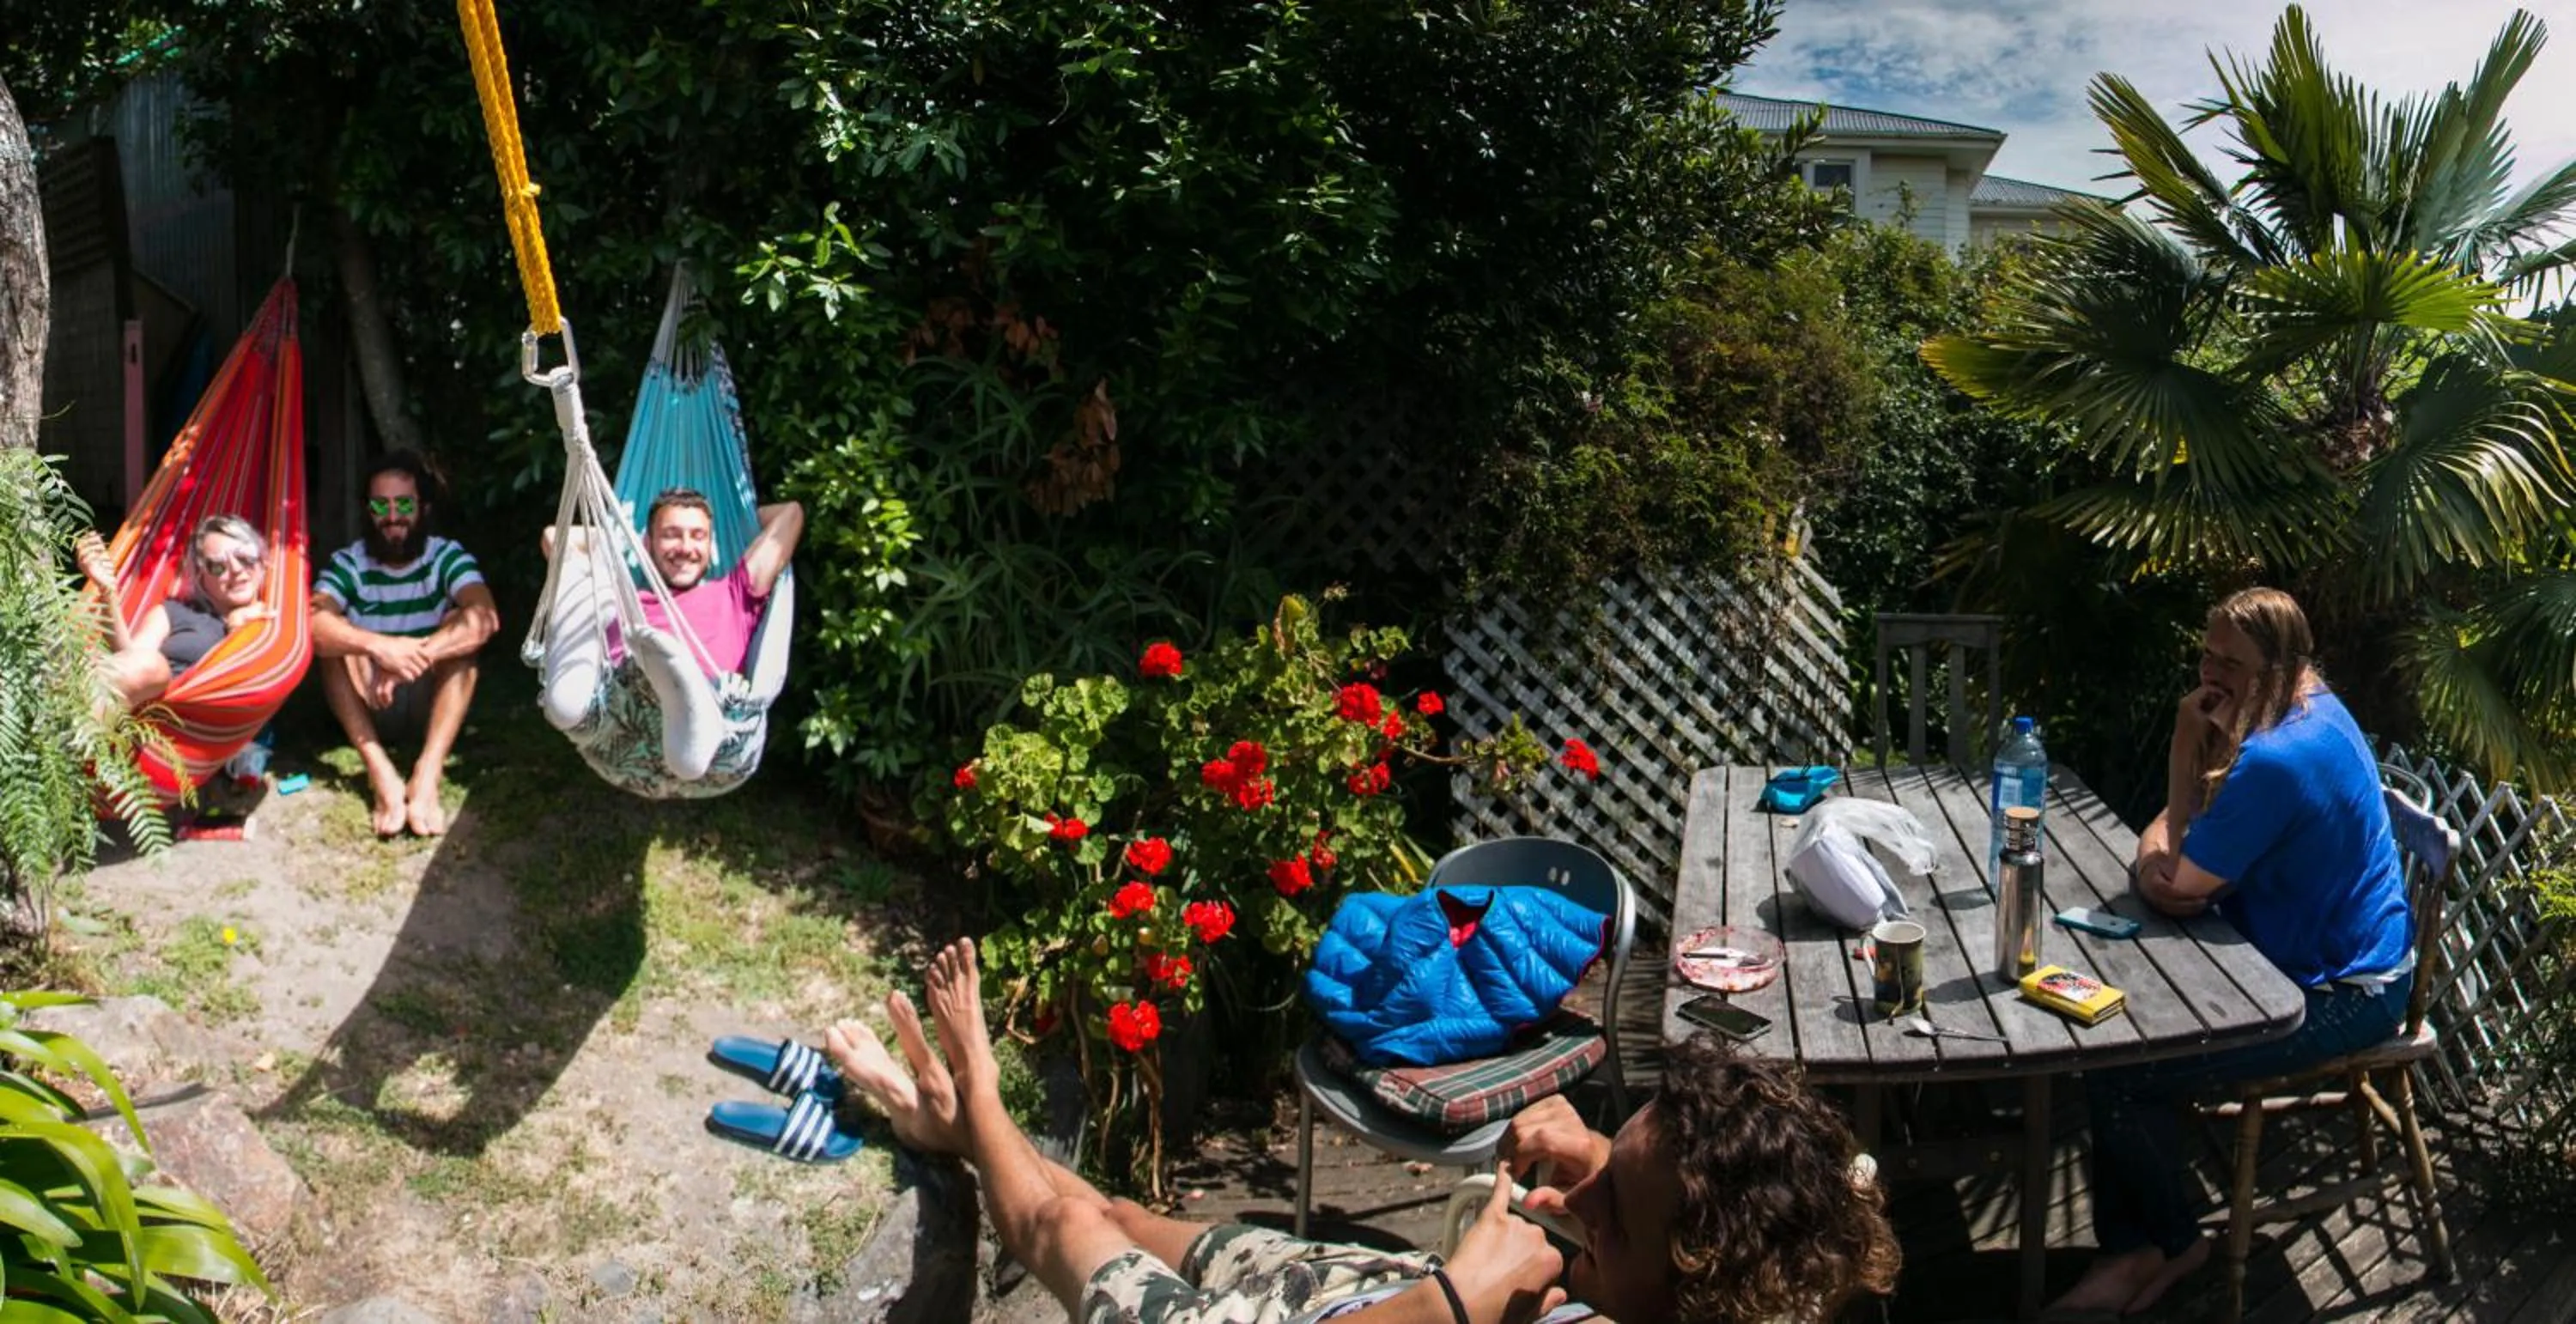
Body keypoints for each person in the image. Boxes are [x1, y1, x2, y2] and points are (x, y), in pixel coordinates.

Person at [825, 939, 1899, 1324]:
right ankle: (960, 1128)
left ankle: (975, 1100)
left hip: (1396, 1316)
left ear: (1695, 1283)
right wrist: (1600, 1176)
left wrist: (1451, 1300)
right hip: (1357, 1295)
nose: (1570, 1207)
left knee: (1062, 1236)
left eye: (1606, 1213)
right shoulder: (1679, 1297)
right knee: (1116, 1211)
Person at [2054, 587, 2415, 1315]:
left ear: (2283, 666)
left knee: (2122, 1068)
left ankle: (2171, 1242)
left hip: (2345, 993)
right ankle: (2136, 1247)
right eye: (2206, 654)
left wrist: (2184, 750)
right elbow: (2182, 844)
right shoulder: (2306, 708)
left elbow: (2177, 878)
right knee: (2118, 1041)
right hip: (2291, 952)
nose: (2209, 677)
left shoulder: (2281, 756)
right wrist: (2163, 856)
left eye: (2231, 663)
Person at [310, 452, 499, 838]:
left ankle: (427, 774)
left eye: (404, 505)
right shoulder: (348, 563)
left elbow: (485, 617)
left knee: (460, 627)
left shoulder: (446, 556)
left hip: (430, 697)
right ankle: (381, 773)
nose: (392, 516)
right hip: (369, 699)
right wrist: (379, 647)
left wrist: (406, 659)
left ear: (423, 508)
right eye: (381, 505)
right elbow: (311, 625)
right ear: (367, 510)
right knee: (332, 636)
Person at [74, 514, 276, 712]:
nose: (236, 569)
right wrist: (107, 592)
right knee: (145, 664)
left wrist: (238, 634)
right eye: (218, 566)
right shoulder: (172, 612)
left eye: (245, 557)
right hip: (154, 716)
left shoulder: (272, 618)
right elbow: (131, 660)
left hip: (215, 727)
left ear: (262, 561)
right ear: (200, 575)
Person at [633, 488, 802, 678]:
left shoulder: (734, 596)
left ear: (711, 545)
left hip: (708, 702)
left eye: (698, 536)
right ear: (647, 543)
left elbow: (791, 514)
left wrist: (736, 519)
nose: (686, 548)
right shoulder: (625, 603)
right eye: (671, 535)